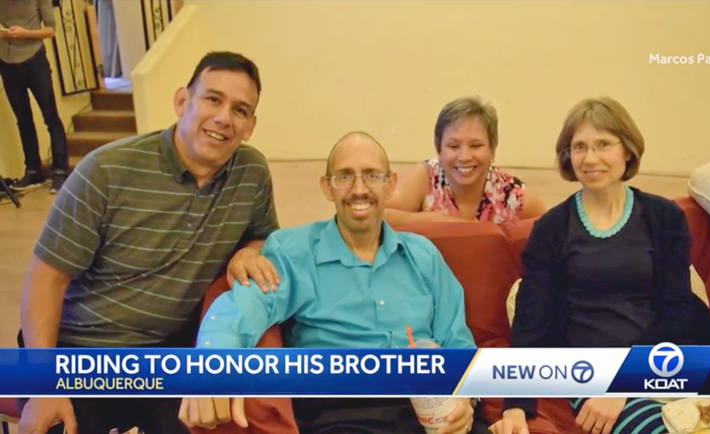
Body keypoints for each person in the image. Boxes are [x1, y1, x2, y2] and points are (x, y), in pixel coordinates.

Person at [18, 51, 282, 434]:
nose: (224, 118)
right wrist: (43, 385)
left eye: (240, 110)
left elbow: (261, 233)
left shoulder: (251, 173)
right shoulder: (106, 171)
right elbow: (45, 278)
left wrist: (249, 250)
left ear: (250, 126)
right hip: (77, 349)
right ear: (181, 101)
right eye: (213, 99)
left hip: (166, 351)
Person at [179, 132, 487, 434]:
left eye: (372, 175)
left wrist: (465, 399)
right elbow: (245, 306)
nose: (359, 189)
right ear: (327, 187)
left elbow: (456, 340)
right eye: (344, 176)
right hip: (341, 410)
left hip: (429, 404)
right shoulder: (293, 250)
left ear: (390, 184)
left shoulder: (424, 256)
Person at [489, 97, 710, 434]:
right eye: (579, 147)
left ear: (627, 150)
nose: (590, 158)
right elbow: (531, 320)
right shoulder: (551, 229)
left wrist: (630, 378)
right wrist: (515, 407)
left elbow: (677, 310)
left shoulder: (664, 217)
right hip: (596, 376)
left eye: (603, 144)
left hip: (670, 359)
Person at [384, 96, 546, 225]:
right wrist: (441, 221)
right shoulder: (424, 178)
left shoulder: (515, 197)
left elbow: (551, 239)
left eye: (476, 146)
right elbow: (374, 217)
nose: (464, 157)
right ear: (438, 149)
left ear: (493, 148)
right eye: (453, 146)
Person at [0, 0, 69, 193]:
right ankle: (33, 171)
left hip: (34, 59)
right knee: (22, 119)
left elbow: (50, 30)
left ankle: (60, 171)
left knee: (50, 117)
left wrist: (25, 33)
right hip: (6, 61)